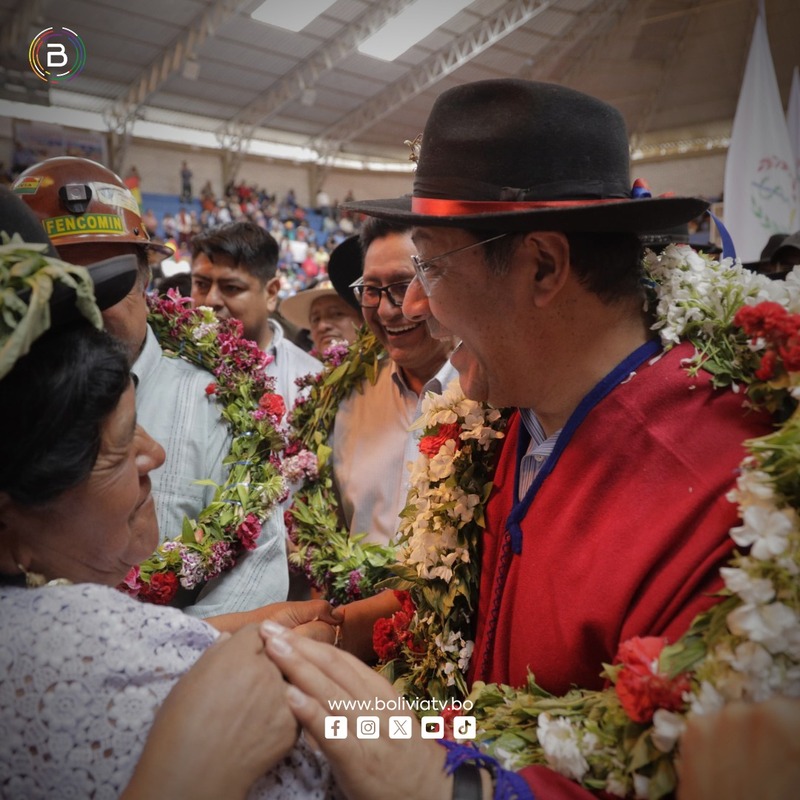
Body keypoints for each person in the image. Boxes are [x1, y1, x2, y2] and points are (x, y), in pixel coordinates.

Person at [277, 79, 777, 796]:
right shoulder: (512, 406)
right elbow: (474, 650)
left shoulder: (728, 500)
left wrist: (428, 779)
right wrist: (331, 646)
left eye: (432, 268)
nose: (416, 311)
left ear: (543, 266)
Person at [0, 189, 339, 798]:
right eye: (119, 445)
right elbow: (362, 741)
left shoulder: (227, 398)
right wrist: (400, 722)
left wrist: (221, 635)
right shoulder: (89, 644)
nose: (152, 454)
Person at [12, 157, 290, 619]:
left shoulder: (221, 407)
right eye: (61, 287)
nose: (86, 308)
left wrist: (154, 663)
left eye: (105, 285)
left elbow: (255, 578)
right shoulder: (11, 406)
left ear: (145, 282)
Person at [328, 220, 457, 545]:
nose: (386, 311)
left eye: (404, 285)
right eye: (371, 290)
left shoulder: (497, 394)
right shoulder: (346, 398)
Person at [190, 220, 321, 409]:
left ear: (271, 293)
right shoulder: (166, 367)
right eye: (201, 284)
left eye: (231, 287)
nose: (211, 300)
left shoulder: (311, 383)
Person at [279, 240, 363, 356]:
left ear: (365, 318)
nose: (322, 326)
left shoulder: (387, 370)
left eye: (337, 314)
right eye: (315, 319)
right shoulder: (303, 372)